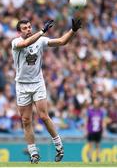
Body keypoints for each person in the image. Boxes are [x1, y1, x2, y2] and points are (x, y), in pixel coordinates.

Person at [11, 18, 81, 163]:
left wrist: (73, 31)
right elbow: (25, 43)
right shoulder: (16, 42)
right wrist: (42, 31)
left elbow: (62, 41)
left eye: (29, 27)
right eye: (24, 28)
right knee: (25, 120)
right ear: (19, 31)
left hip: (37, 83)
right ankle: (33, 153)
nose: (28, 29)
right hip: (22, 86)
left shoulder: (40, 40)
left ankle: (59, 146)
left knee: (43, 116)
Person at [84, 97, 106, 162]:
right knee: (90, 145)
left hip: (98, 130)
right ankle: (90, 158)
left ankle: (98, 158)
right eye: (95, 102)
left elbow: (103, 122)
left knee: (98, 145)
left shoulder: (101, 112)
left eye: (97, 102)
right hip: (91, 130)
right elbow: (86, 121)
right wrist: (86, 130)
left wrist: (103, 131)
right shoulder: (90, 111)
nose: (96, 103)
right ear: (93, 103)